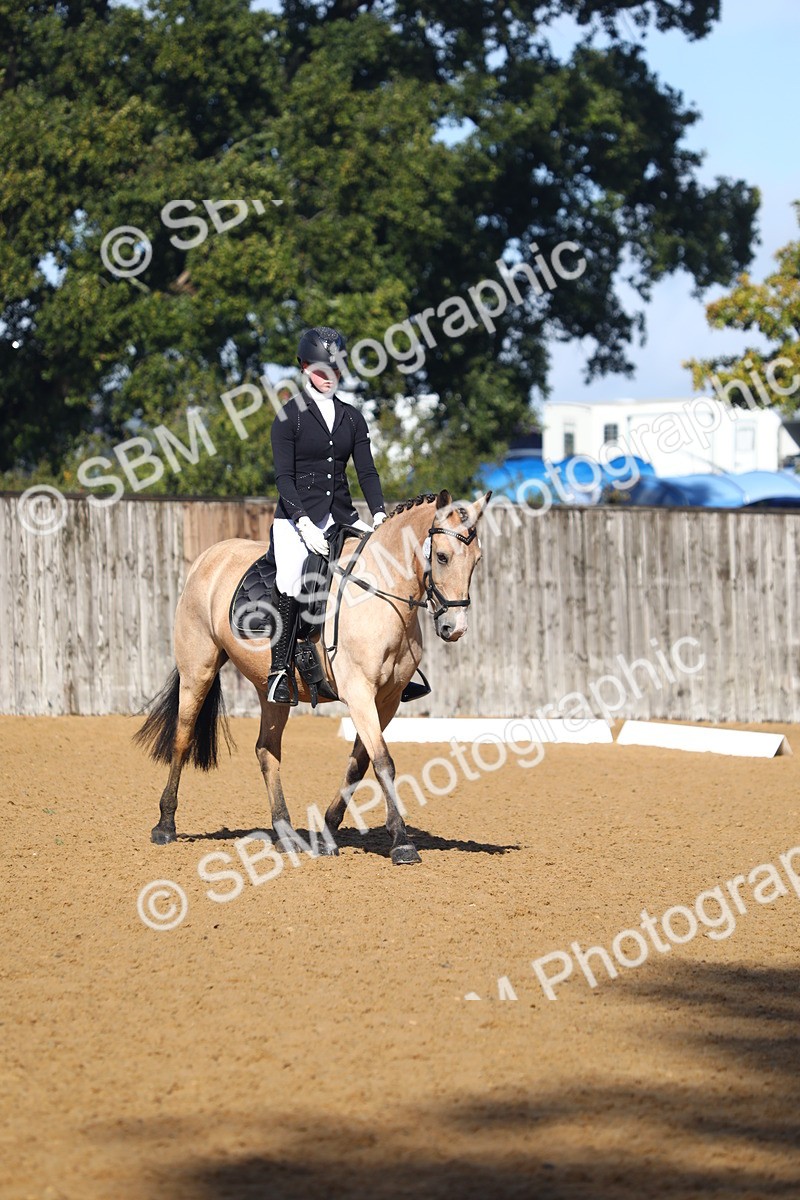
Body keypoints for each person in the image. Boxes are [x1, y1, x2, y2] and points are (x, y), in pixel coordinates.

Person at [266, 325, 388, 704]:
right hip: (295, 519)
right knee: (291, 578)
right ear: (304, 367)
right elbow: (284, 479)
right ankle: (279, 671)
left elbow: (366, 471)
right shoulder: (289, 416)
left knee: (382, 566)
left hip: (341, 515)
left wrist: (379, 514)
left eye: (335, 369)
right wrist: (303, 523)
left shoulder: (352, 418)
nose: (329, 376)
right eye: (321, 370)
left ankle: (395, 666)